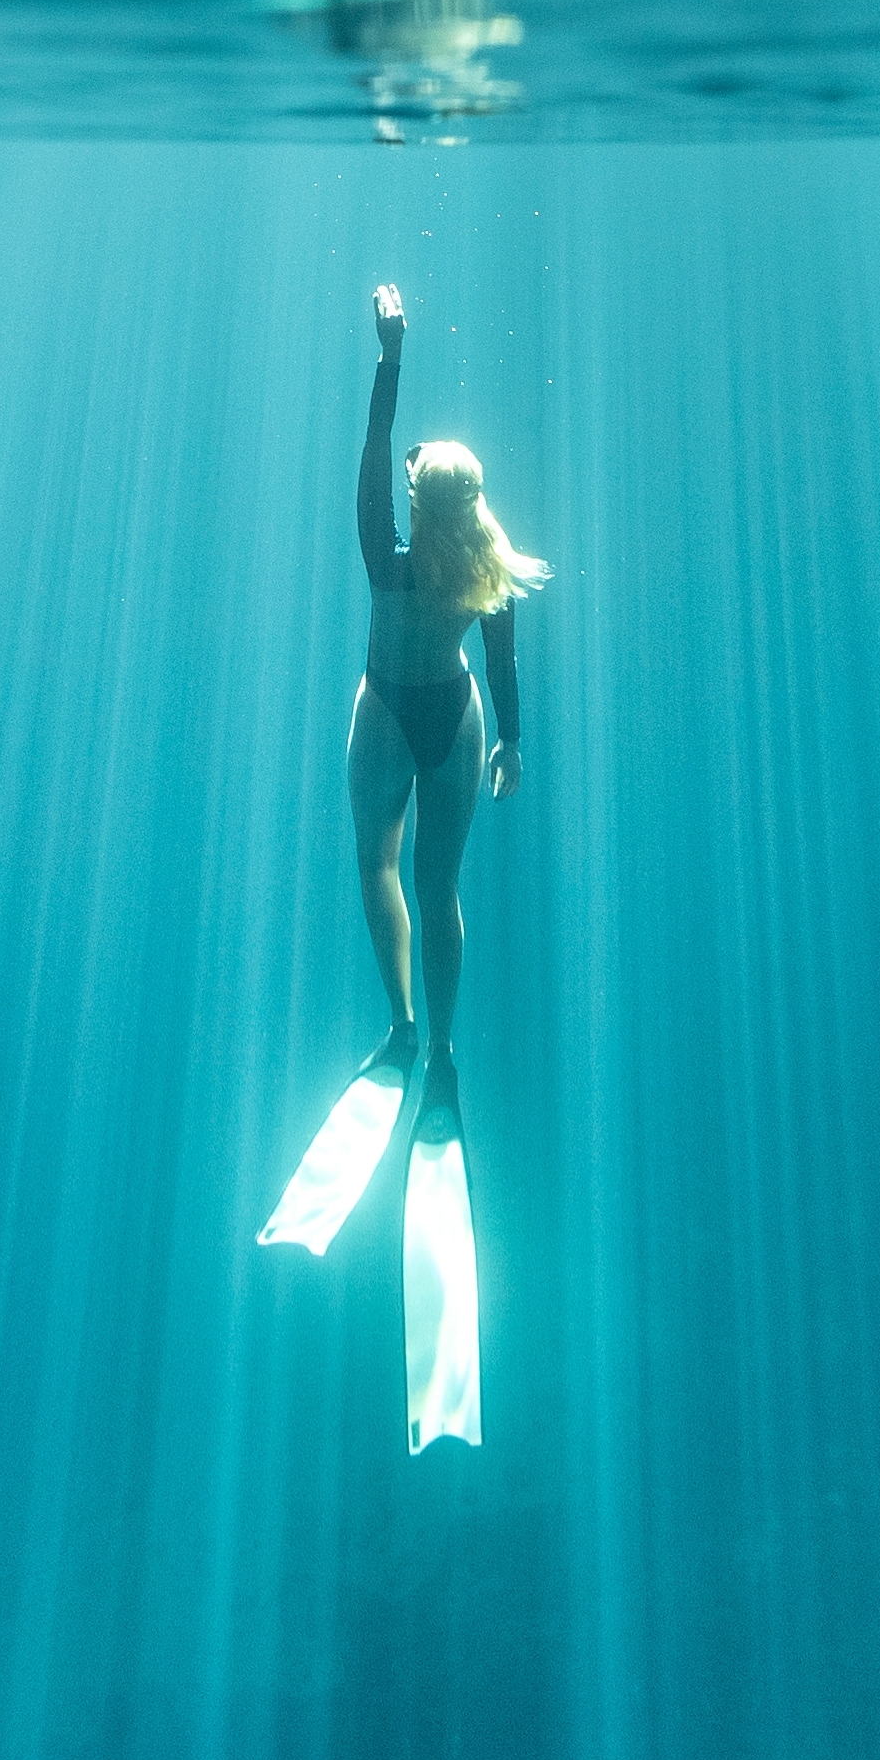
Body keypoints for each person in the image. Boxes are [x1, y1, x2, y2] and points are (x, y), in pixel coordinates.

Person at [343, 278, 541, 1146]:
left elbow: (378, 441)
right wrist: (511, 742)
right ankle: (443, 1052)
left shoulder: (390, 560)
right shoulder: (487, 572)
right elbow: (502, 661)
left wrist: (392, 358)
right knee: (438, 883)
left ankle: (405, 1025)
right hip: (451, 717)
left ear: (419, 504)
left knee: (377, 864)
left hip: (387, 707)